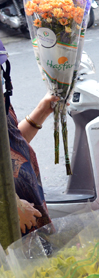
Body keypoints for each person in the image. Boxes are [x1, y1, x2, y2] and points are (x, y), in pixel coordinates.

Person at [1, 53, 55, 235]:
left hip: (28, 212)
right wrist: (11, 205)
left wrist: (42, 111)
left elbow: (11, 146)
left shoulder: (3, 97)